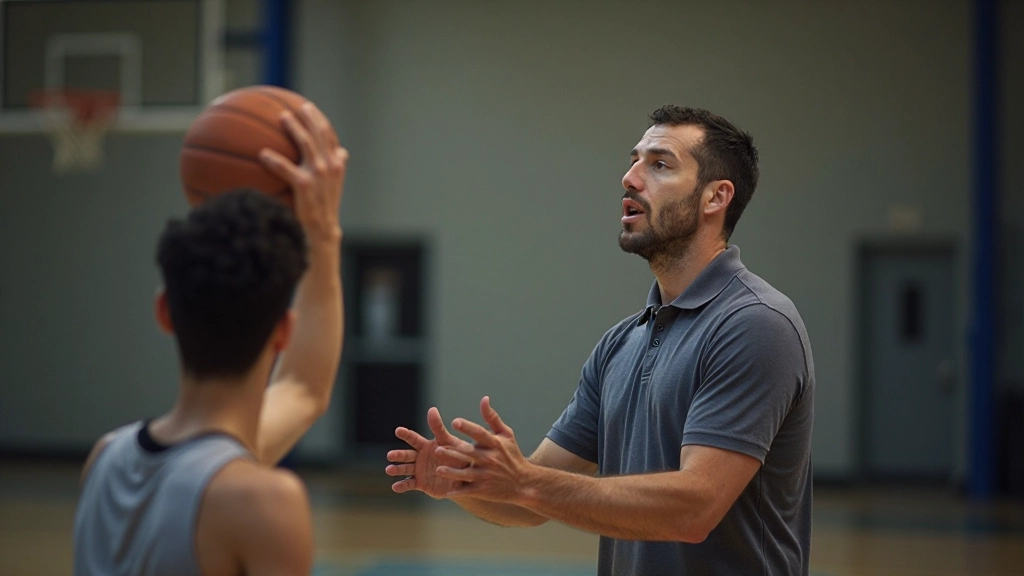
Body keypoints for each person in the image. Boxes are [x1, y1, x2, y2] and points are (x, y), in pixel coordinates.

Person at [386, 105, 814, 575]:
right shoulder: (621, 343)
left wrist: (525, 482)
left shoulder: (755, 323)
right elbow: (530, 503)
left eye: (659, 164)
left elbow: (695, 509)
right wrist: (463, 483)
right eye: (634, 161)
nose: (630, 178)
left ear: (716, 197)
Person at [73, 103, 348, 576]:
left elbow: (303, 388)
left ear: (165, 312)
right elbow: (306, 384)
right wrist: (322, 233)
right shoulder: (262, 503)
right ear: (283, 331)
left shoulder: (104, 460)